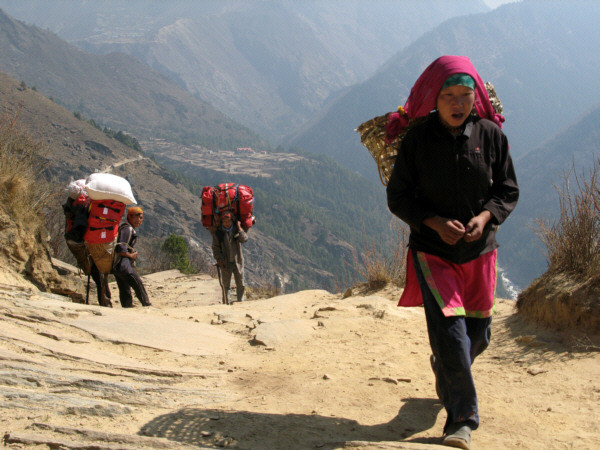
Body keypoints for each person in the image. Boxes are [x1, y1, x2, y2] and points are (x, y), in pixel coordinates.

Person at [386, 55, 519, 449]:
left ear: (476, 97)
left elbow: (507, 190)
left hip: (480, 253)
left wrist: (485, 217)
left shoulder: (491, 136)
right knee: (451, 332)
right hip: (433, 252)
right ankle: (461, 419)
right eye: (449, 96)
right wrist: (433, 223)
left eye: (465, 94)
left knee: (477, 335)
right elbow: (398, 197)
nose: (458, 103)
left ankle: (445, 368)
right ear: (434, 98)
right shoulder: (418, 140)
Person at [62, 180, 111, 306]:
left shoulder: (71, 203)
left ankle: (105, 299)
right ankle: (104, 301)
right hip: (82, 242)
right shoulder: (81, 206)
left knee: (95, 271)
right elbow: (82, 225)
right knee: (96, 271)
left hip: (73, 241)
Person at [113, 206, 151, 307]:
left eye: (141, 218)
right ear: (129, 217)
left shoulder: (124, 227)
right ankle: (146, 304)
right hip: (124, 265)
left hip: (116, 266)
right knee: (137, 283)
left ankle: (127, 307)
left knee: (124, 288)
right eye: (136, 217)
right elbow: (120, 247)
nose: (139, 220)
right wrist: (131, 255)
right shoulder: (128, 229)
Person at [211, 211, 248, 304]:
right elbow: (215, 248)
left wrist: (240, 228)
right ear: (222, 222)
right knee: (226, 285)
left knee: (240, 284)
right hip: (225, 263)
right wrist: (219, 259)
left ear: (232, 221)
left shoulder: (236, 230)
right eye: (225, 222)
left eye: (228, 221)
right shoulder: (219, 233)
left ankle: (241, 302)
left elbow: (244, 239)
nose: (227, 223)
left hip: (238, 262)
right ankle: (226, 303)